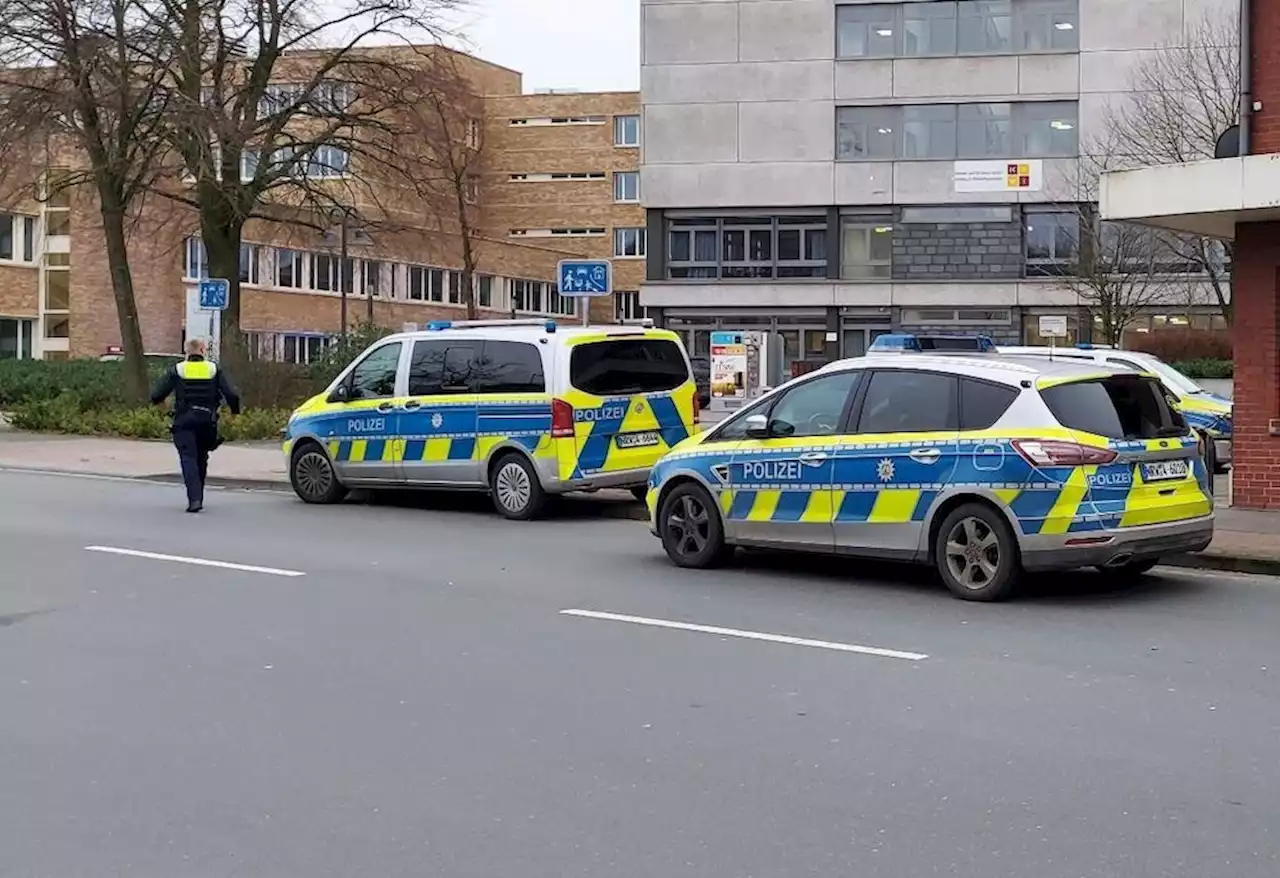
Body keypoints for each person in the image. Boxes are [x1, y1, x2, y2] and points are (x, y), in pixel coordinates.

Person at [150, 338, 241, 513]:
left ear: (186, 352)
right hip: (207, 420)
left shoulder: (178, 370)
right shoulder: (213, 369)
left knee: (188, 458)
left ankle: (195, 499)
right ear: (203, 351)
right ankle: (198, 495)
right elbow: (232, 394)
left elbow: (156, 395)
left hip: (184, 420)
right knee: (201, 457)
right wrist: (234, 413)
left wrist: (167, 411)